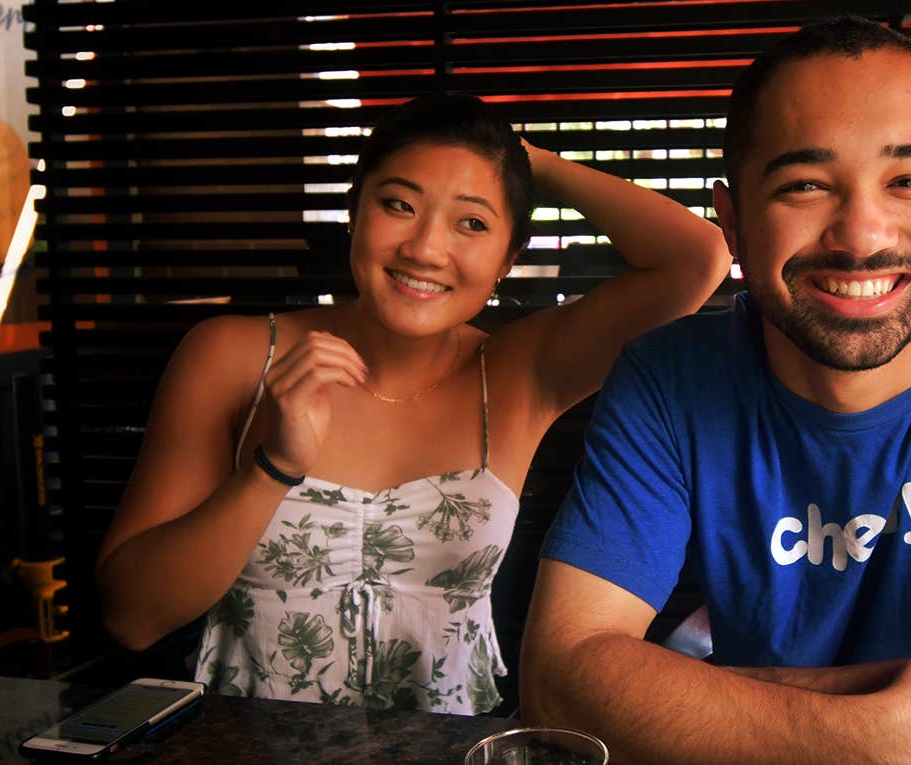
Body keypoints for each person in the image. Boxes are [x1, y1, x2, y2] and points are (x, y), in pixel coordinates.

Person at [521, 15, 911, 764]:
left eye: (910, 180)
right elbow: (557, 681)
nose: (861, 233)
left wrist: (699, 696)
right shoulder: (669, 378)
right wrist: (892, 730)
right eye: (806, 185)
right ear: (733, 220)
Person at [94, 94, 730, 714]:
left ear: (508, 259)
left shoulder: (517, 372)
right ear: (354, 211)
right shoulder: (230, 356)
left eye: (472, 223)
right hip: (246, 751)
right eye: (399, 205)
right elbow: (132, 617)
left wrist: (525, 160)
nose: (426, 248)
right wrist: (273, 467)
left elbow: (698, 258)